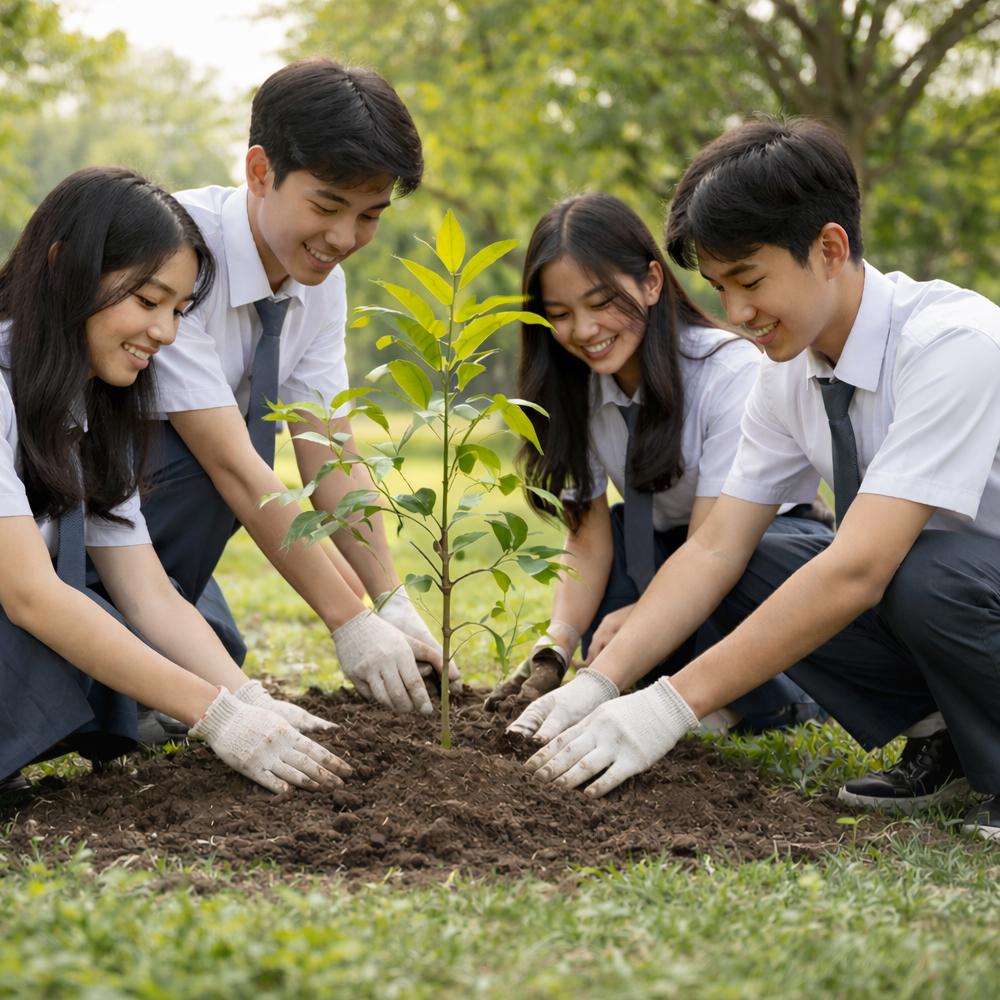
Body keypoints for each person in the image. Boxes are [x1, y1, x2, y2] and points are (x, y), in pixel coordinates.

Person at [511, 117, 1000, 842]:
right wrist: (601, 682)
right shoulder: (790, 372)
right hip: (949, 603)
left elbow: (862, 567)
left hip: (962, 585)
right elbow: (714, 550)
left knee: (914, 570)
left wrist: (670, 706)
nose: (736, 313)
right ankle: (945, 735)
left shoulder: (953, 345)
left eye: (749, 280)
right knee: (759, 556)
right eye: (716, 285)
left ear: (829, 248)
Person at [0, 167, 350, 797]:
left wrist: (246, 699)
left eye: (179, 310)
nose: (164, 332)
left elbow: (150, 594)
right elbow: (28, 594)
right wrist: (214, 715)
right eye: (147, 301)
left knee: (145, 632)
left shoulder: (89, 408)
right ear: (62, 268)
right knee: (46, 628)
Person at [134, 57, 459, 721]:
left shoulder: (319, 284)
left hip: (173, 526)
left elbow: (326, 448)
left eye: (370, 215)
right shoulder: (179, 253)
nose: (344, 238)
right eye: (327, 206)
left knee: (218, 645)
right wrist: (348, 622)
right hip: (84, 504)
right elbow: (231, 464)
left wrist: (389, 599)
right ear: (260, 172)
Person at [487, 192, 830, 734]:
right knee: (622, 557)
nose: (585, 330)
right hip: (663, 544)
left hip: (755, 548)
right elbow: (589, 540)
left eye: (601, 303)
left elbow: (715, 547)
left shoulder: (729, 372)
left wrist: (642, 613)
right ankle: (665, 675)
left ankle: (773, 697)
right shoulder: (577, 389)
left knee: (753, 563)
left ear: (651, 282)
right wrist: (556, 643)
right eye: (560, 315)